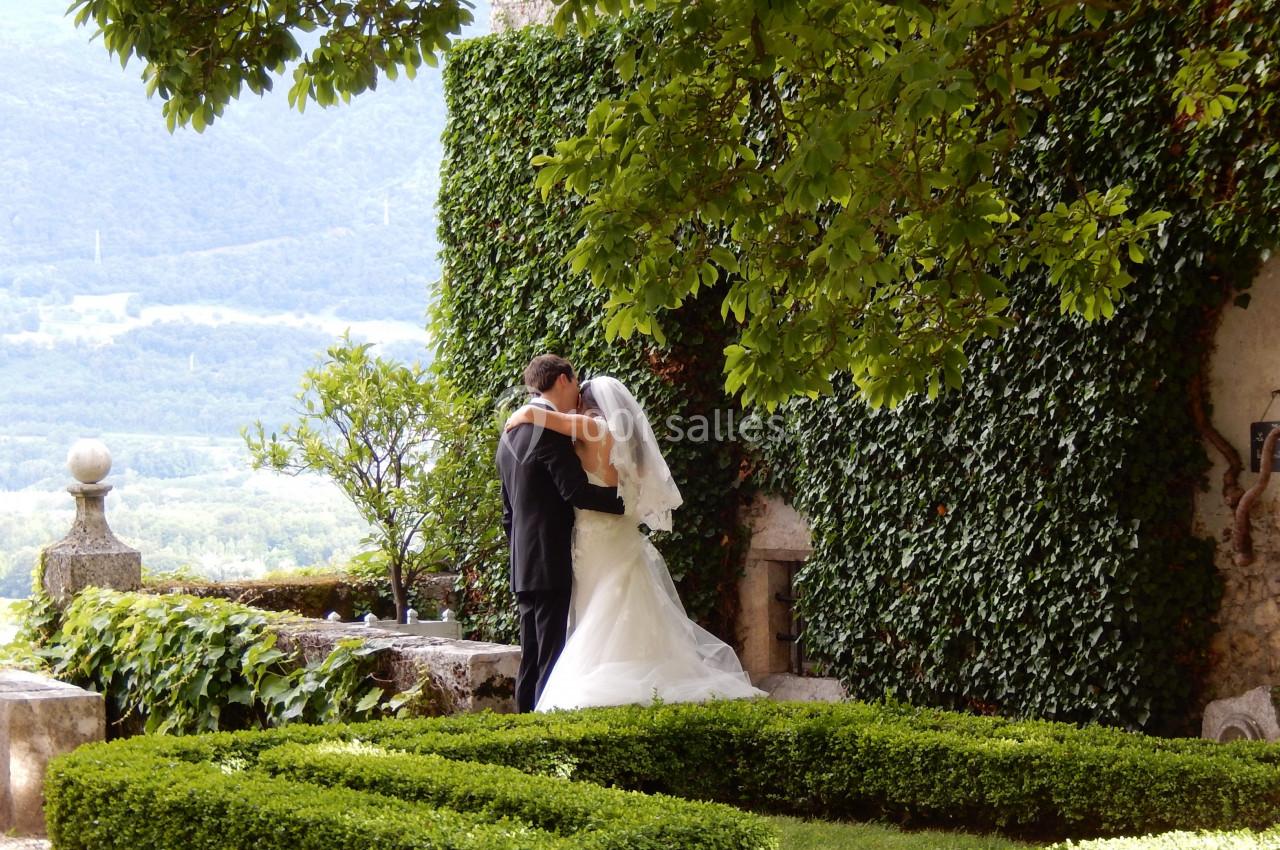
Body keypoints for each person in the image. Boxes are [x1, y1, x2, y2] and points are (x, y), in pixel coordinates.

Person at [504, 374, 766, 711]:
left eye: (580, 400)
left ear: (588, 402)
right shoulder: (621, 434)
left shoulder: (589, 427)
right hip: (617, 534)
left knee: (597, 610)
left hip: (594, 536)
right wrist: (626, 506)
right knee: (620, 606)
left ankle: (586, 688)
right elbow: (631, 485)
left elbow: (540, 418)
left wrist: (521, 414)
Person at [496, 354, 626, 713]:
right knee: (551, 655)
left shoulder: (508, 437)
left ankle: (520, 725)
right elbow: (575, 491)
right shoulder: (548, 432)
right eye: (576, 382)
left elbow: (508, 513)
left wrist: (521, 553)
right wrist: (625, 503)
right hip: (551, 557)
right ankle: (543, 729)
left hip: (523, 561)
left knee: (532, 654)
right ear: (564, 379)